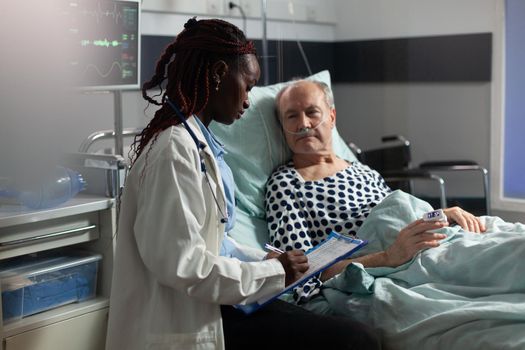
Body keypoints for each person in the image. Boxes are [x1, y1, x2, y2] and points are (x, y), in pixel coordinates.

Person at [105, 18, 381, 350]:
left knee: (354, 332)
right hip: (189, 319)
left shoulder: (199, 146)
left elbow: (217, 244)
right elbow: (184, 264)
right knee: (356, 340)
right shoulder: (174, 152)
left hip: (220, 301)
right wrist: (274, 272)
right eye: (247, 86)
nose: (248, 101)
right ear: (219, 73)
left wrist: (269, 260)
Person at [266, 79, 487, 303]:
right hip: (400, 264)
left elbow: (400, 216)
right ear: (282, 127)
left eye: (312, 112)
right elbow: (301, 272)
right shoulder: (286, 184)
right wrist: (388, 257)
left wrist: (439, 215)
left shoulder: (364, 171)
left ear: (331, 117)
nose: (303, 124)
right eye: (292, 116)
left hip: (435, 241)